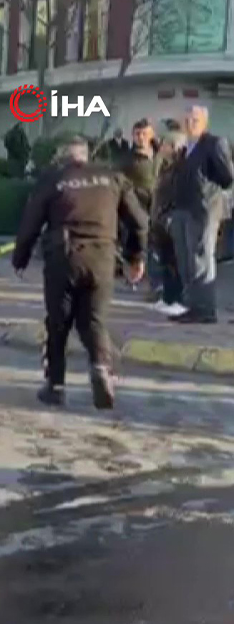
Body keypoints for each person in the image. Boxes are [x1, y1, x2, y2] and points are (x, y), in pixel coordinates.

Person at [12, 135, 150, 410]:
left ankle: (56, 386)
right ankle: (100, 369)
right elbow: (140, 222)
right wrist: (135, 257)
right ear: (85, 156)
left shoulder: (52, 179)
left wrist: (20, 258)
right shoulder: (112, 178)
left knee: (58, 322)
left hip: (63, 258)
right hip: (102, 258)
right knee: (94, 320)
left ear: (64, 157)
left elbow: (30, 221)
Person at [169, 104, 234, 324]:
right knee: (187, 260)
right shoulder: (186, 146)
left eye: (195, 120)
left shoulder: (214, 143)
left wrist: (207, 190)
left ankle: (206, 310)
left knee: (201, 259)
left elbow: (227, 177)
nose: (190, 124)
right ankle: (192, 305)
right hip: (182, 209)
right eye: (187, 120)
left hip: (203, 209)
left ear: (205, 122)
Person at [117, 119, 165, 310]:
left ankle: (156, 284)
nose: (140, 138)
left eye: (144, 134)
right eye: (137, 134)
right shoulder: (127, 159)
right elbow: (119, 180)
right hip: (136, 206)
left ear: (151, 134)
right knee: (140, 242)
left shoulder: (160, 154)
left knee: (158, 244)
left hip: (158, 204)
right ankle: (137, 276)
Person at [150, 129, 189, 315]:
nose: (161, 147)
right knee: (165, 260)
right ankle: (167, 296)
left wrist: (169, 215)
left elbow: (179, 194)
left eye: (165, 144)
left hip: (171, 217)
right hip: (161, 218)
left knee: (175, 261)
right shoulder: (168, 166)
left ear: (174, 147)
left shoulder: (182, 168)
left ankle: (179, 298)